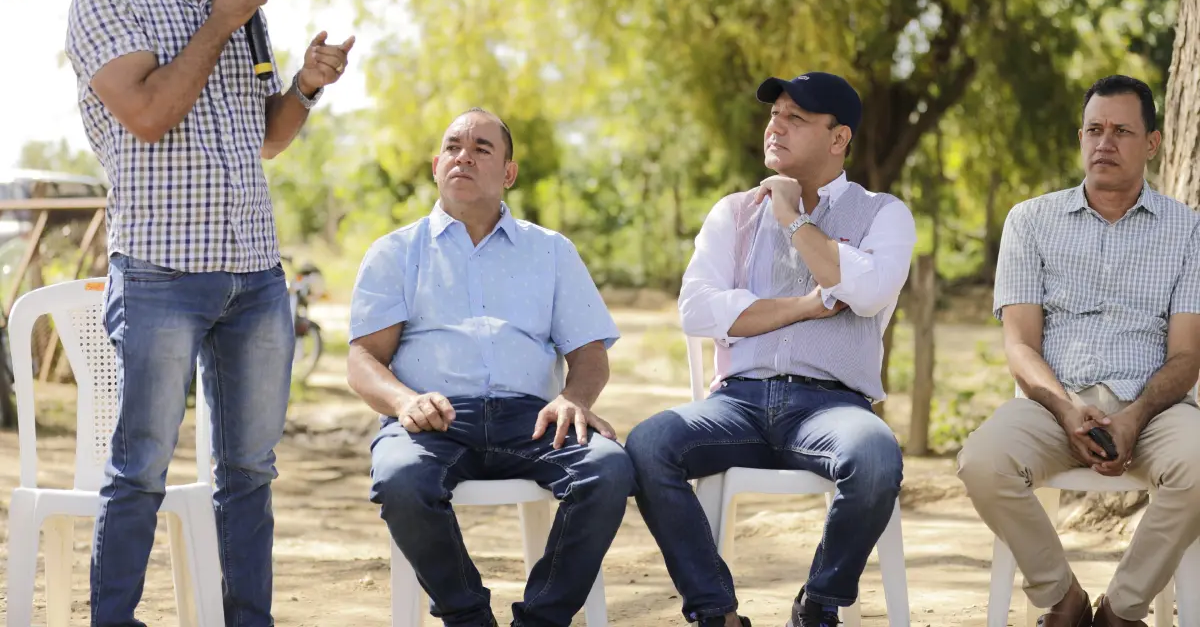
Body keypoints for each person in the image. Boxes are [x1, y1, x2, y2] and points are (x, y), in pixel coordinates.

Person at [64, 0, 353, 627]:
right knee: (139, 472)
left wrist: (305, 86)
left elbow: (264, 137)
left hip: (255, 277)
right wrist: (220, 24)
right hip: (160, 273)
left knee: (250, 474)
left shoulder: (234, 5)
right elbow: (150, 115)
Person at [626, 73, 917, 627]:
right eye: (774, 115)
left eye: (796, 119)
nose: (775, 127)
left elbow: (869, 290)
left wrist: (793, 218)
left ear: (838, 139)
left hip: (832, 409)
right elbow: (697, 309)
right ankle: (715, 611)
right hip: (735, 404)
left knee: (877, 457)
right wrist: (803, 306)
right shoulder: (732, 213)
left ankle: (819, 606)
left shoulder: (884, 214)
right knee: (647, 444)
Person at [347, 108, 634, 627]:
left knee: (608, 467)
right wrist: (404, 402)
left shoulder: (550, 251)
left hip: (533, 420)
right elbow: (364, 358)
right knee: (401, 478)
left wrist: (575, 400)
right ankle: (468, 618)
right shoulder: (395, 252)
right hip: (433, 420)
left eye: (482, 148)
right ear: (436, 165)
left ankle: (542, 619)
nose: (464, 156)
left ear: (508, 173)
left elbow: (590, 355)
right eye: (454, 146)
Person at [958, 75, 1200, 627]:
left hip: (1153, 408)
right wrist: (1066, 409)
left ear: (1154, 143)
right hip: (1052, 404)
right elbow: (1020, 344)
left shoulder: (1189, 232)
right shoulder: (1030, 221)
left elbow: (1187, 356)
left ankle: (1122, 610)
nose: (1104, 143)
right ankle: (1062, 599)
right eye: (1094, 130)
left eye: (1121, 131)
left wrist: (1135, 416)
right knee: (983, 461)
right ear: (1080, 137)